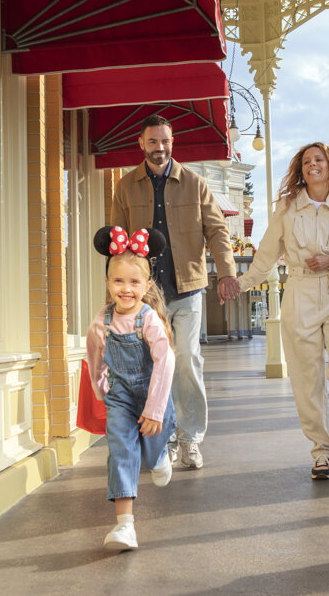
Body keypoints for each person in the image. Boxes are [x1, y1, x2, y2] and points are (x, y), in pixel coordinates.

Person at [110, 114, 240, 469]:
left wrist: (227, 273)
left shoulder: (195, 183)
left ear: (172, 142)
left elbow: (217, 231)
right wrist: (117, 288)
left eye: (165, 141)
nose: (160, 148)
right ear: (142, 144)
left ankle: (190, 439)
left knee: (185, 361)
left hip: (188, 289)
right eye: (153, 141)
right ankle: (163, 438)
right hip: (147, 295)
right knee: (153, 367)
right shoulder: (125, 187)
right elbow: (117, 243)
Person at [237, 142, 329, 479]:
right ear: (300, 169)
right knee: (306, 378)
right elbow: (265, 256)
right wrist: (240, 283)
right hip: (299, 292)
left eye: (318, 160)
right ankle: (320, 451)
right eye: (306, 161)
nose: (313, 165)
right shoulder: (288, 208)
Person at [86, 226, 177, 550]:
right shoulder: (101, 322)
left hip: (154, 396)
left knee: (151, 457)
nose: (126, 289)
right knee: (120, 452)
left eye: (134, 282)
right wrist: (102, 393)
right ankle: (125, 526)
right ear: (108, 283)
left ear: (146, 285)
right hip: (121, 400)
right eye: (119, 281)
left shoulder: (149, 318)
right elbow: (94, 358)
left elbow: (165, 363)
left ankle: (160, 455)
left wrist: (154, 410)